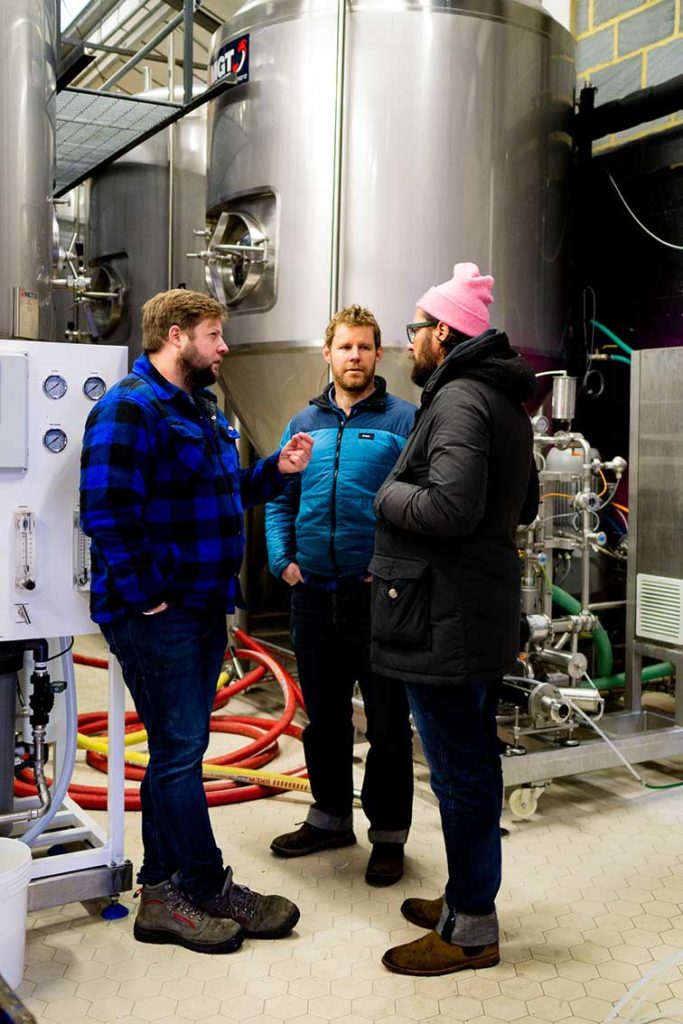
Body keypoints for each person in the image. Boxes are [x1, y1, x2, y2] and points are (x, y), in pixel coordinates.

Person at [79, 289, 313, 956]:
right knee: (180, 755)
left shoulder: (199, 408)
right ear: (177, 335)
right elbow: (104, 508)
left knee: (175, 753)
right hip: (160, 612)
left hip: (203, 604)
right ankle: (206, 886)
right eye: (214, 334)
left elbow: (222, 491)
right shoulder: (129, 406)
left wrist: (276, 471)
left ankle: (162, 893)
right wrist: (148, 593)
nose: (224, 347)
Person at [369, 263, 539, 975]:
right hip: (471, 612)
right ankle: (463, 897)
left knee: (460, 774)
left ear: (442, 332)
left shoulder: (461, 399)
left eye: (415, 328)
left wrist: (384, 495)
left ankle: (469, 928)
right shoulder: (498, 399)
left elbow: (448, 507)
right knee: (469, 768)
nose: (408, 341)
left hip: (446, 620)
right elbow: (524, 505)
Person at [265, 305, 416, 885]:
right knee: (324, 719)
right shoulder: (304, 421)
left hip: (378, 596)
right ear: (327, 354)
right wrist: (282, 560)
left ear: (379, 355)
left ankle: (389, 835)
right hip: (312, 595)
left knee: (387, 722)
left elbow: (419, 502)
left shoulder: (404, 420)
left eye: (364, 347)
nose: (354, 356)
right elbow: (280, 496)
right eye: (345, 347)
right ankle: (329, 817)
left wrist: (391, 566)